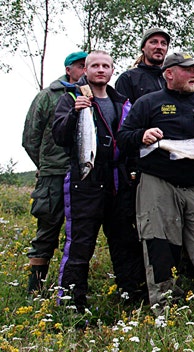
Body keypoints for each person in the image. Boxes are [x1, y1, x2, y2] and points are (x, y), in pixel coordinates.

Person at [117, 52, 194, 306]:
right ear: (169, 73)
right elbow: (123, 139)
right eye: (187, 69)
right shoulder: (148, 103)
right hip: (157, 181)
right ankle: (165, 303)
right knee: (160, 243)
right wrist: (142, 135)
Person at [51, 50, 147, 310]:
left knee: (125, 242)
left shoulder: (123, 102)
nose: (100, 70)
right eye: (94, 66)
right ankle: (71, 302)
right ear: (85, 70)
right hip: (86, 180)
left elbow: (129, 140)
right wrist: (74, 113)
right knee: (81, 243)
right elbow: (59, 136)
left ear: (112, 71)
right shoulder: (71, 99)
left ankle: (131, 297)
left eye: (106, 65)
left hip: (118, 181)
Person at [21, 50, 86, 294]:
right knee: (47, 230)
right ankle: (34, 288)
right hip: (53, 176)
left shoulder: (92, 96)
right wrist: (46, 163)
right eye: (80, 66)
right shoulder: (47, 97)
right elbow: (30, 138)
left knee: (81, 232)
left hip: (83, 176)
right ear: (69, 69)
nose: (84, 70)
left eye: (86, 66)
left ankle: (72, 285)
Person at [116, 27, 170, 104]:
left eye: (163, 43)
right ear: (143, 47)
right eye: (153, 42)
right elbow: (123, 112)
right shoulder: (128, 78)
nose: (159, 47)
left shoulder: (171, 79)